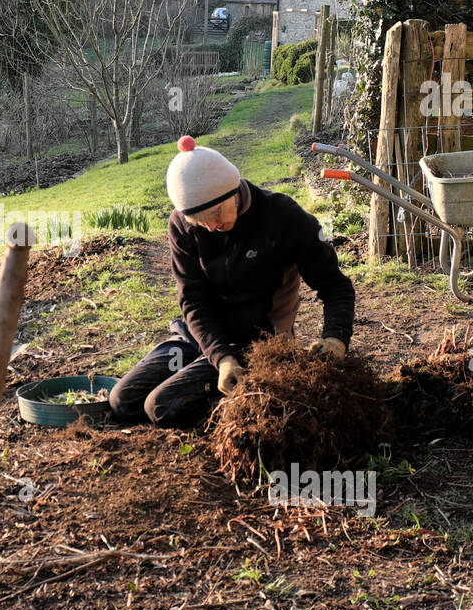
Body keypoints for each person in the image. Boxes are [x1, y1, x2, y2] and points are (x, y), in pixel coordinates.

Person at [108, 135, 356, 426]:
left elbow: (334, 285)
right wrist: (221, 357)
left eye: (214, 214)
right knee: (123, 401)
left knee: (161, 407)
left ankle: (249, 397)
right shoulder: (181, 227)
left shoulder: (283, 217)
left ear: (233, 192)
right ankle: (202, 369)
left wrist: (336, 338)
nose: (211, 227)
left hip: (257, 341)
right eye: (199, 221)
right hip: (202, 337)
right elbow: (193, 300)